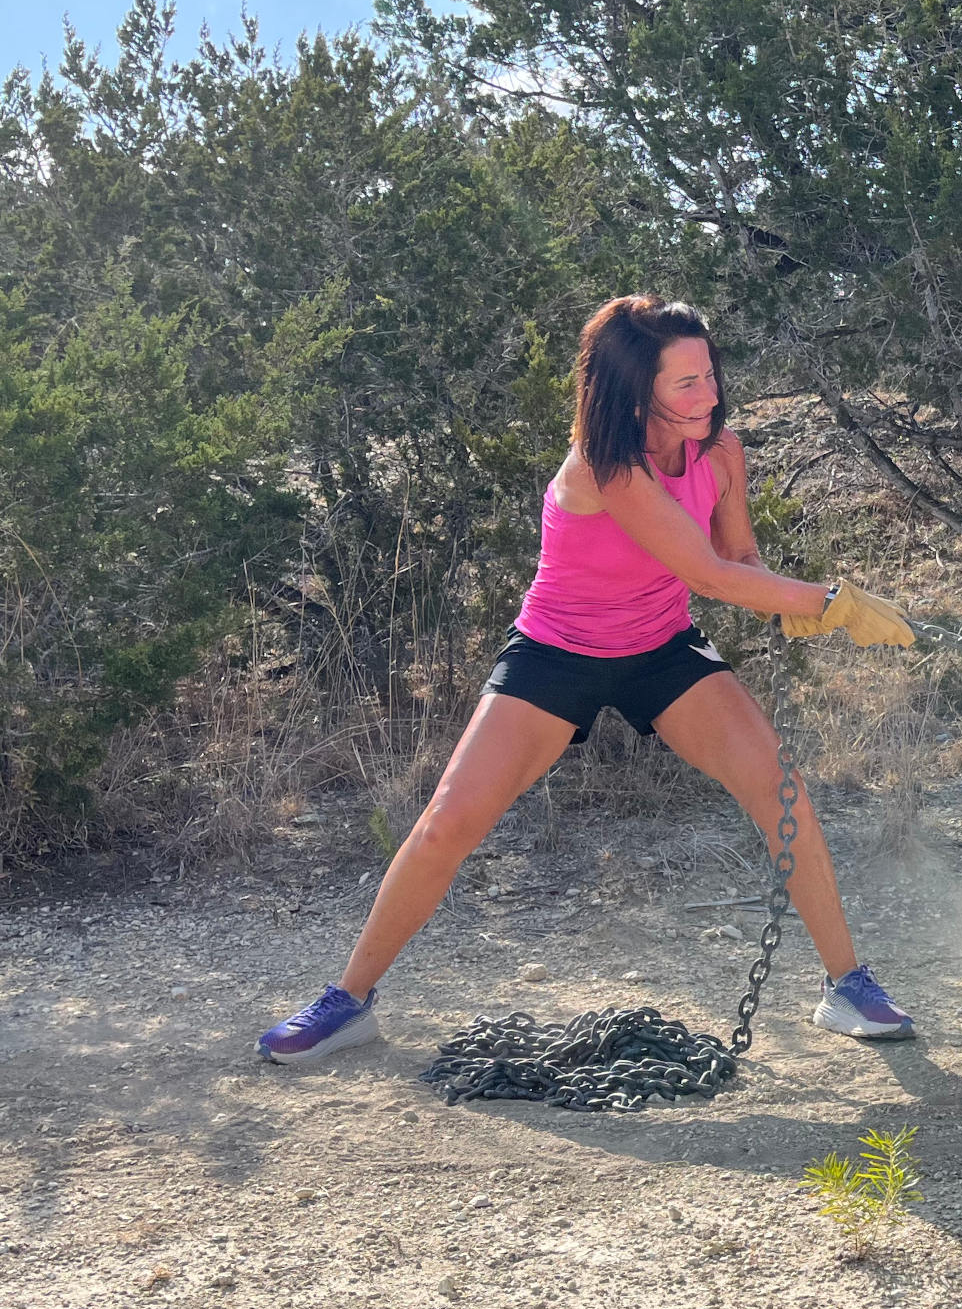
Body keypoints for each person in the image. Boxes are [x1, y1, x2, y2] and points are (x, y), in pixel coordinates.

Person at [257, 295, 919, 1064]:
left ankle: (846, 984)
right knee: (447, 822)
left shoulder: (722, 452)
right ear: (636, 392)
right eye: (685, 383)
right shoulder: (604, 465)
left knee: (781, 789)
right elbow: (704, 572)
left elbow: (735, 559)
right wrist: (830, 602)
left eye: (709, 374)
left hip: (662, 644)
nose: (708, 395)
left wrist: (789, 605)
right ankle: (348, 1001)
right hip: (556, 650)